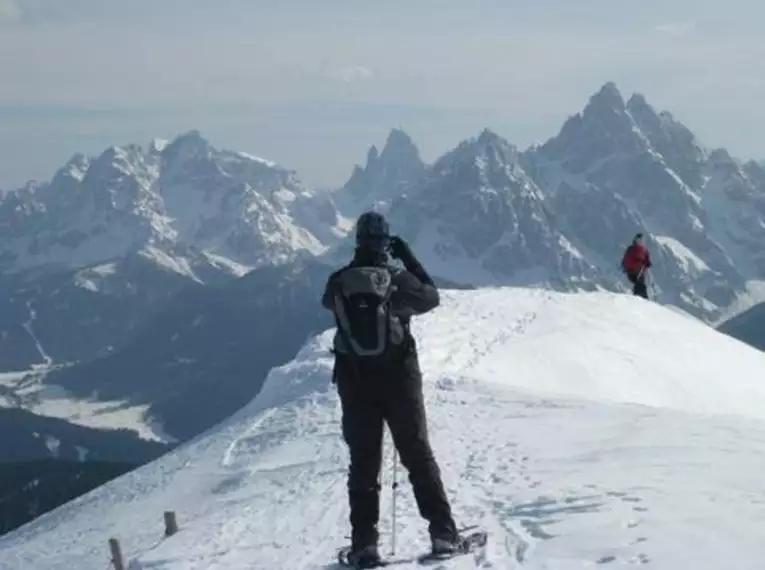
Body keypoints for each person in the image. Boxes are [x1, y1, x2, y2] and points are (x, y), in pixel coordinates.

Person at [321, 211, 462, 568]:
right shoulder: (397, 279)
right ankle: (443, 534)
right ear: (386, 243)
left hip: (355, 382)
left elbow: (328, 306)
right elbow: (431, 296)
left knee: (364, 464)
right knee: (417, 454)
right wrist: (408, 258)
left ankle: (365, 546)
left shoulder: (337, 281)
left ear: (357, 241)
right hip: (399, 379)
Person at [621, 233, 652, 299]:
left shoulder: (631, 248)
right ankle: (642, 298)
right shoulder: (642, 249)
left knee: (638, 283)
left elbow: (624, 260)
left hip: (631, 271)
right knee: (640, 283)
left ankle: (639, 296)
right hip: (636, 270)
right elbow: (647, 260)